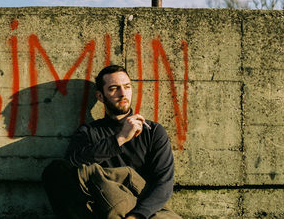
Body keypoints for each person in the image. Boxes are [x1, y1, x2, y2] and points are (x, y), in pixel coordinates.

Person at [42, 65, 181, 219]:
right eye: (114, 88)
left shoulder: (152, 131)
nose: (123, 94)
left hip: (144, 207)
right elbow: (69, 168)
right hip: (106, 203)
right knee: (54, 172)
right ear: (100, 96)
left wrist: (136, 216)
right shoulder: (89, 132)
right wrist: (119, 139)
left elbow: (164, 183)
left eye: (127, 87)